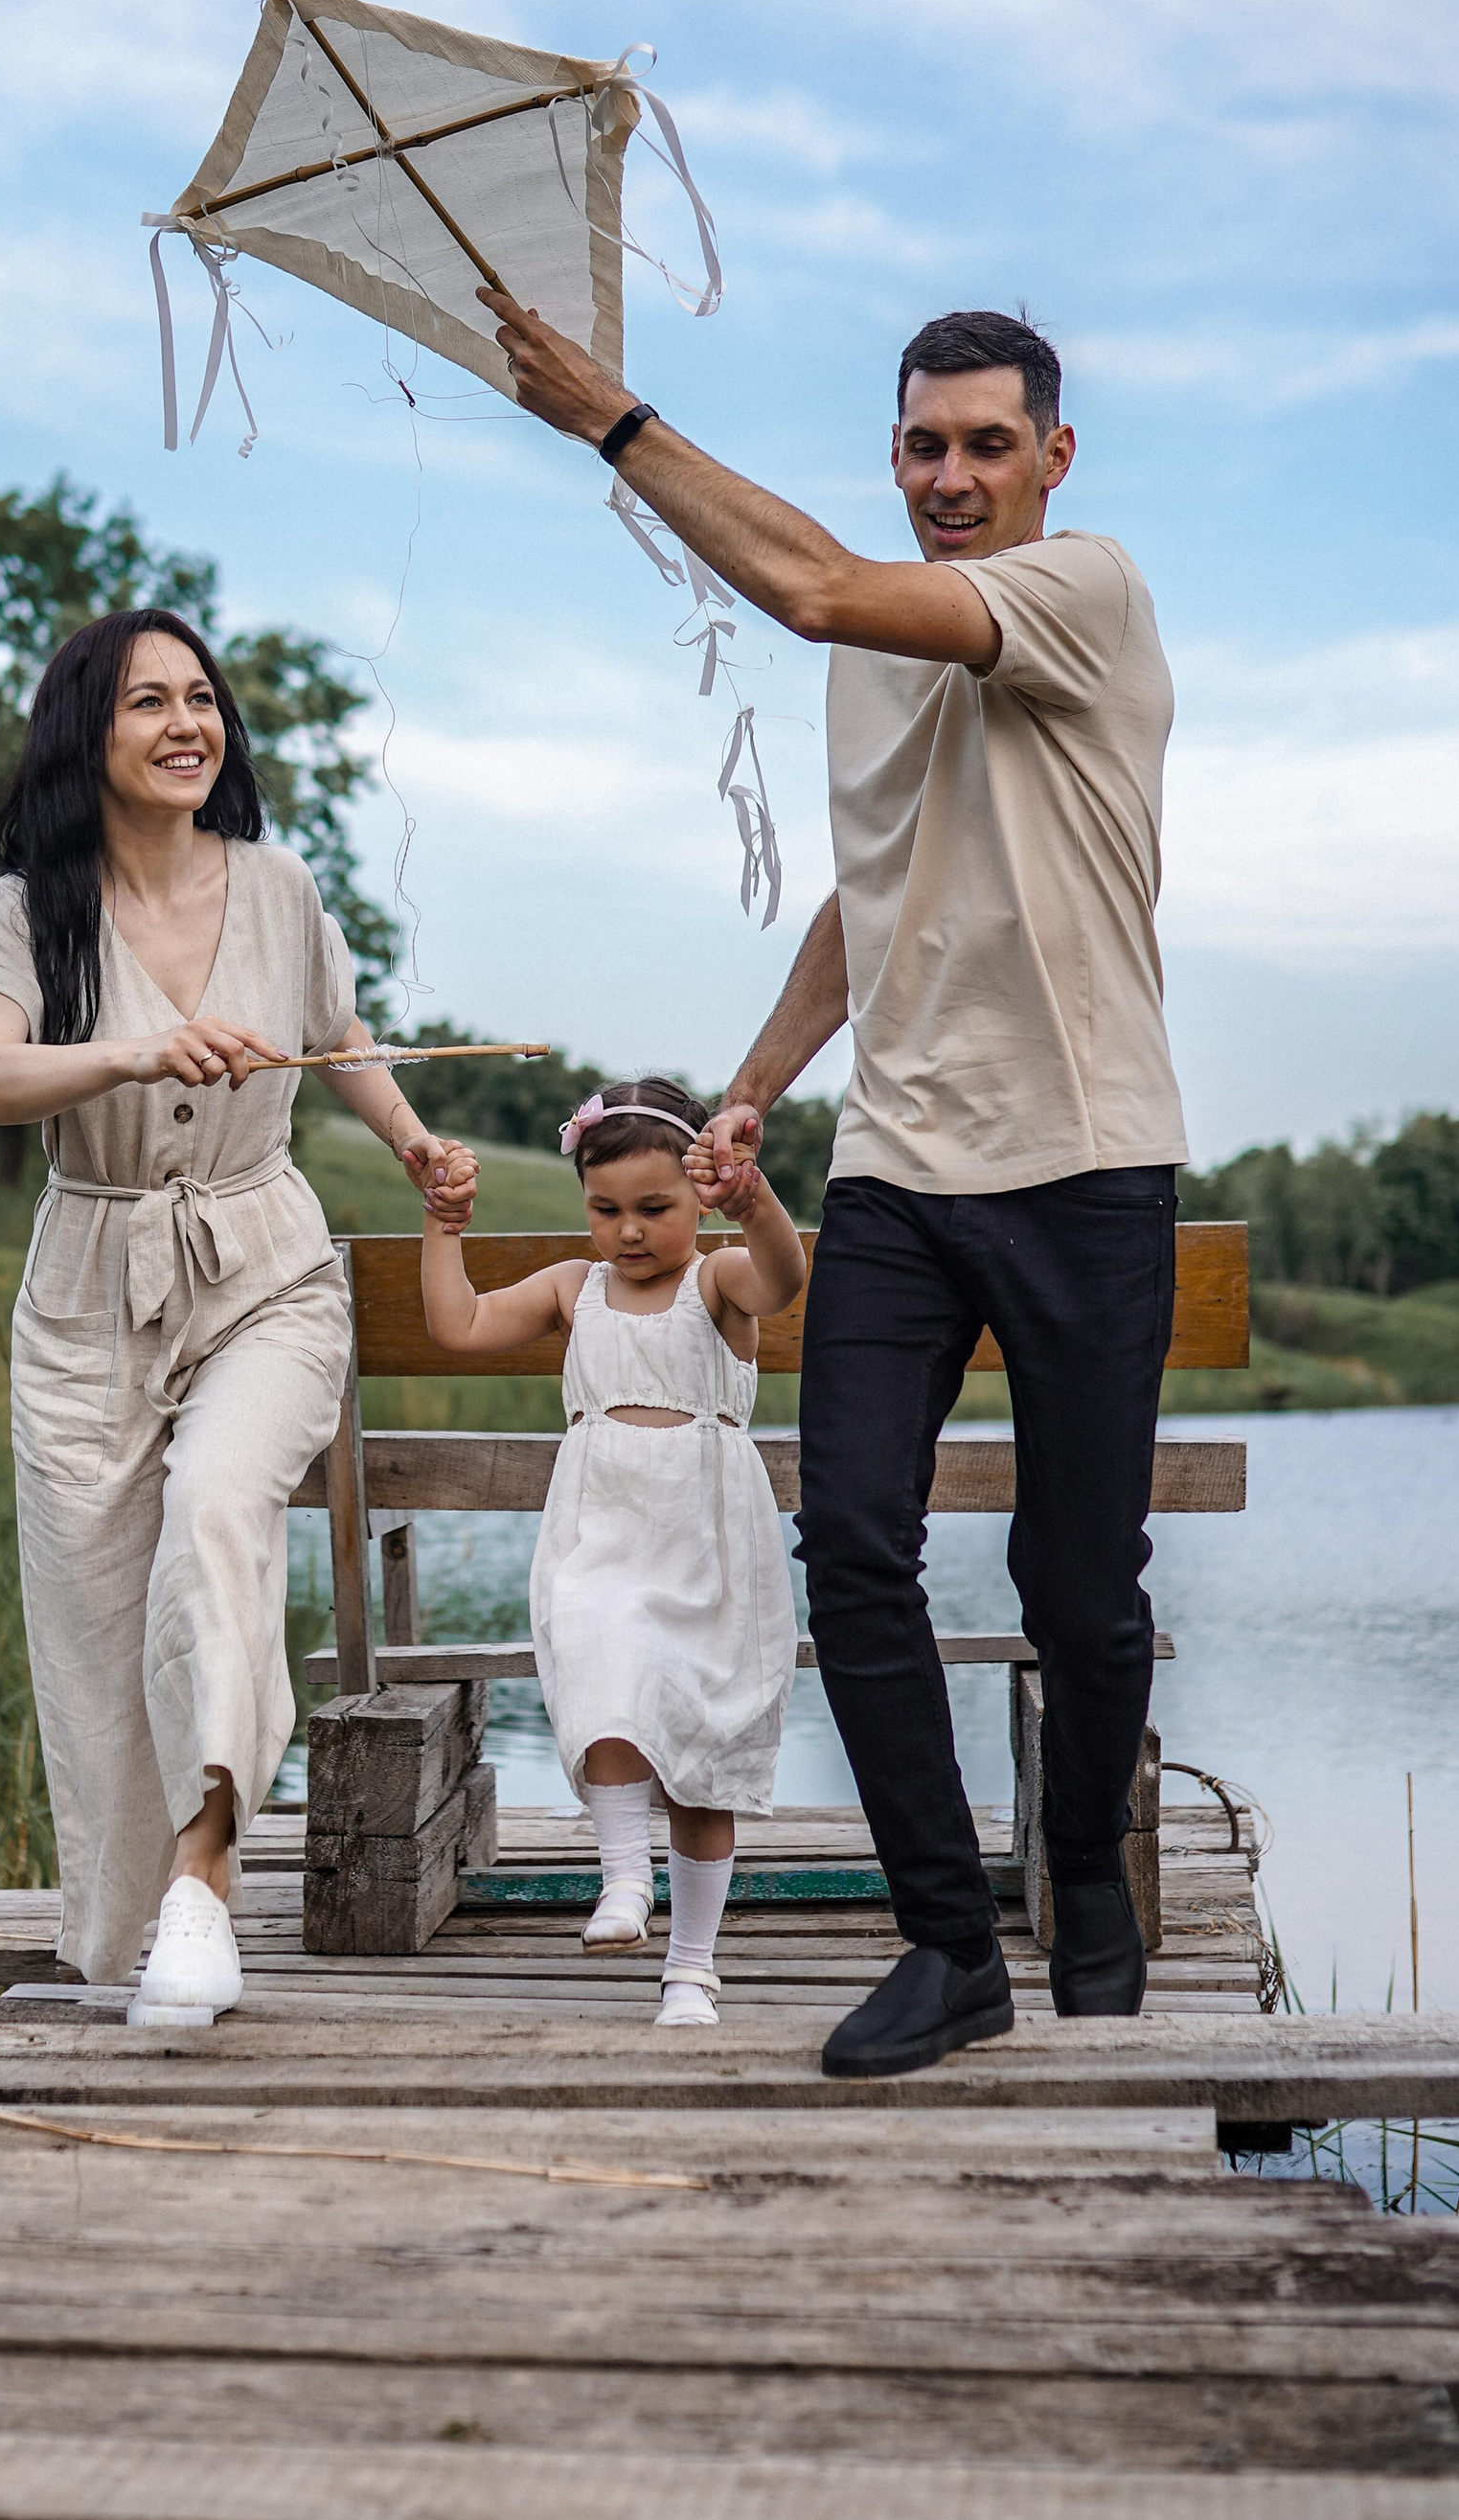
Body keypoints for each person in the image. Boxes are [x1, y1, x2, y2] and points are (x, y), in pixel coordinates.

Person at [479, 289, 1186, 2075]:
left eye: (988, 445)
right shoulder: (882, 649)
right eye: (925, 446)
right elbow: (877, 893)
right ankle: (951, 1942)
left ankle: (1082, 1878)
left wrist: (610, 422)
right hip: (899, 1172)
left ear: (1054, 458)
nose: (954, 476)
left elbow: (802, 584)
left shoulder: (1078, 590)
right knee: (853, 1542)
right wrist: (753, 1089)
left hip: (1088, 1159)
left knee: (1077, 1584)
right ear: (895, 452)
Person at [0, 607, 473, 2014]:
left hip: (265, 1278)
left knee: (219, 1516)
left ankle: (204, 1889)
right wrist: (129, 1052)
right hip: (87, 1293)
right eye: (146, 703)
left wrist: (411, 1139)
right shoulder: (29, 909)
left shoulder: (280, 885)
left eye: (201, 698)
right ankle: (116, 1950)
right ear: (87, 735)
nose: (188, 724)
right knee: (93, 1625)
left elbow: (340, 1037)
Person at [419, 1076, 806, 2027]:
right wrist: (442, 1227)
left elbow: (784, 1281)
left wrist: (754, 1203)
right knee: (600, 1664)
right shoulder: (570, 1288)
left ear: (698, 1198)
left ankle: (691, 1969)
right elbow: (458, 1324)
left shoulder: (715, 1280)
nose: (628, 1232)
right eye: (604, 1210)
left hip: (703, 1532)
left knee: (701, 1745)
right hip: (601, 1526)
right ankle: (625, 1881)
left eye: (653, 1209)